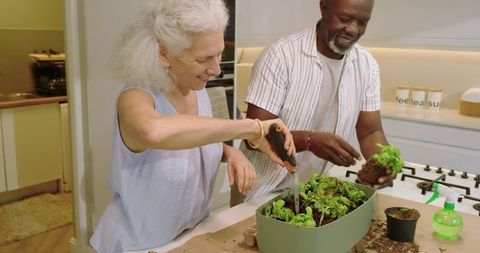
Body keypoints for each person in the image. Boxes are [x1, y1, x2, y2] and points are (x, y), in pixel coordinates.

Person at [89, 0, 296, 252]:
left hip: (190, 237)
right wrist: (252, 127)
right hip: (137, 245)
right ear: (164, 54)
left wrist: (229, 152)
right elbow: (153, 132)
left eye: (219, 54)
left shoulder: (197, 92)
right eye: (203, 59)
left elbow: (189, 141)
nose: (217, 69)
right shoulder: (135, 97)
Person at [231, 0, 393, 206]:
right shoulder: (281, 56)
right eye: (344, 19)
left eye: (362, 22)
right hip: (261, 190)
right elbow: (253, 136)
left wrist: (383, 162)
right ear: (324, 6)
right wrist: (309, 141)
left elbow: (371, 132)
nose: (353, 29)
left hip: (314, 192)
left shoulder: (367, 65)